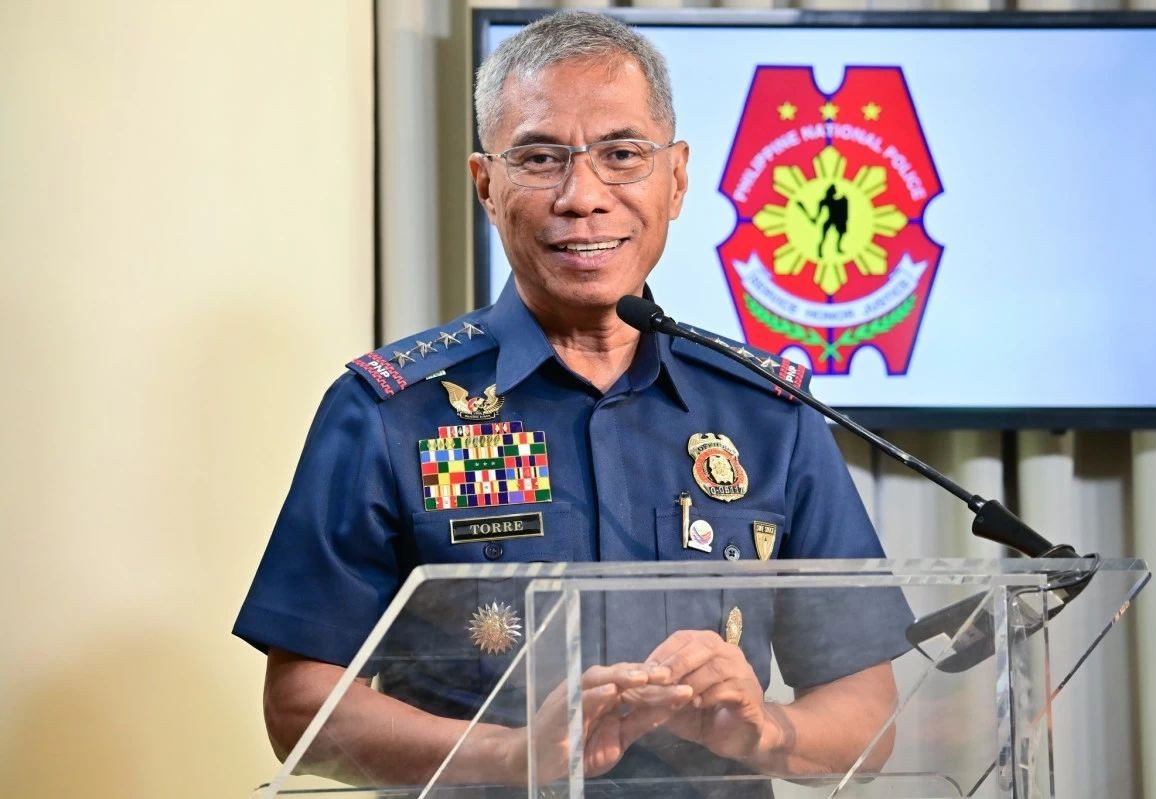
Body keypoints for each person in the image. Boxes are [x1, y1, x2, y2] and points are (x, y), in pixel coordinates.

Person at [234, 10, 911, 793]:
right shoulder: (388, 412)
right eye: (539, 158)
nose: (582, 196)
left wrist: (762, 730)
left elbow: (867, 712)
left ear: (676, 178)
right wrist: (513, 755)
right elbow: (301, 705)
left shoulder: (767, 411)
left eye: (622, 154)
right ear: (486, 185)